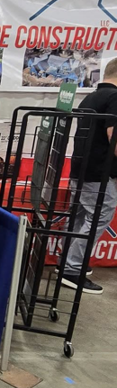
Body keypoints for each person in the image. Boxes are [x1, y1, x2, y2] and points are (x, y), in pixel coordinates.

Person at [63, 57, 117, 293]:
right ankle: (72, 269)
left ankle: (67, 262)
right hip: (98, 172)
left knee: (81, 216)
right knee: (99, 215)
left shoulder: (91, 97)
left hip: (81, 167)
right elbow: (114, 140)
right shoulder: (115, 98)